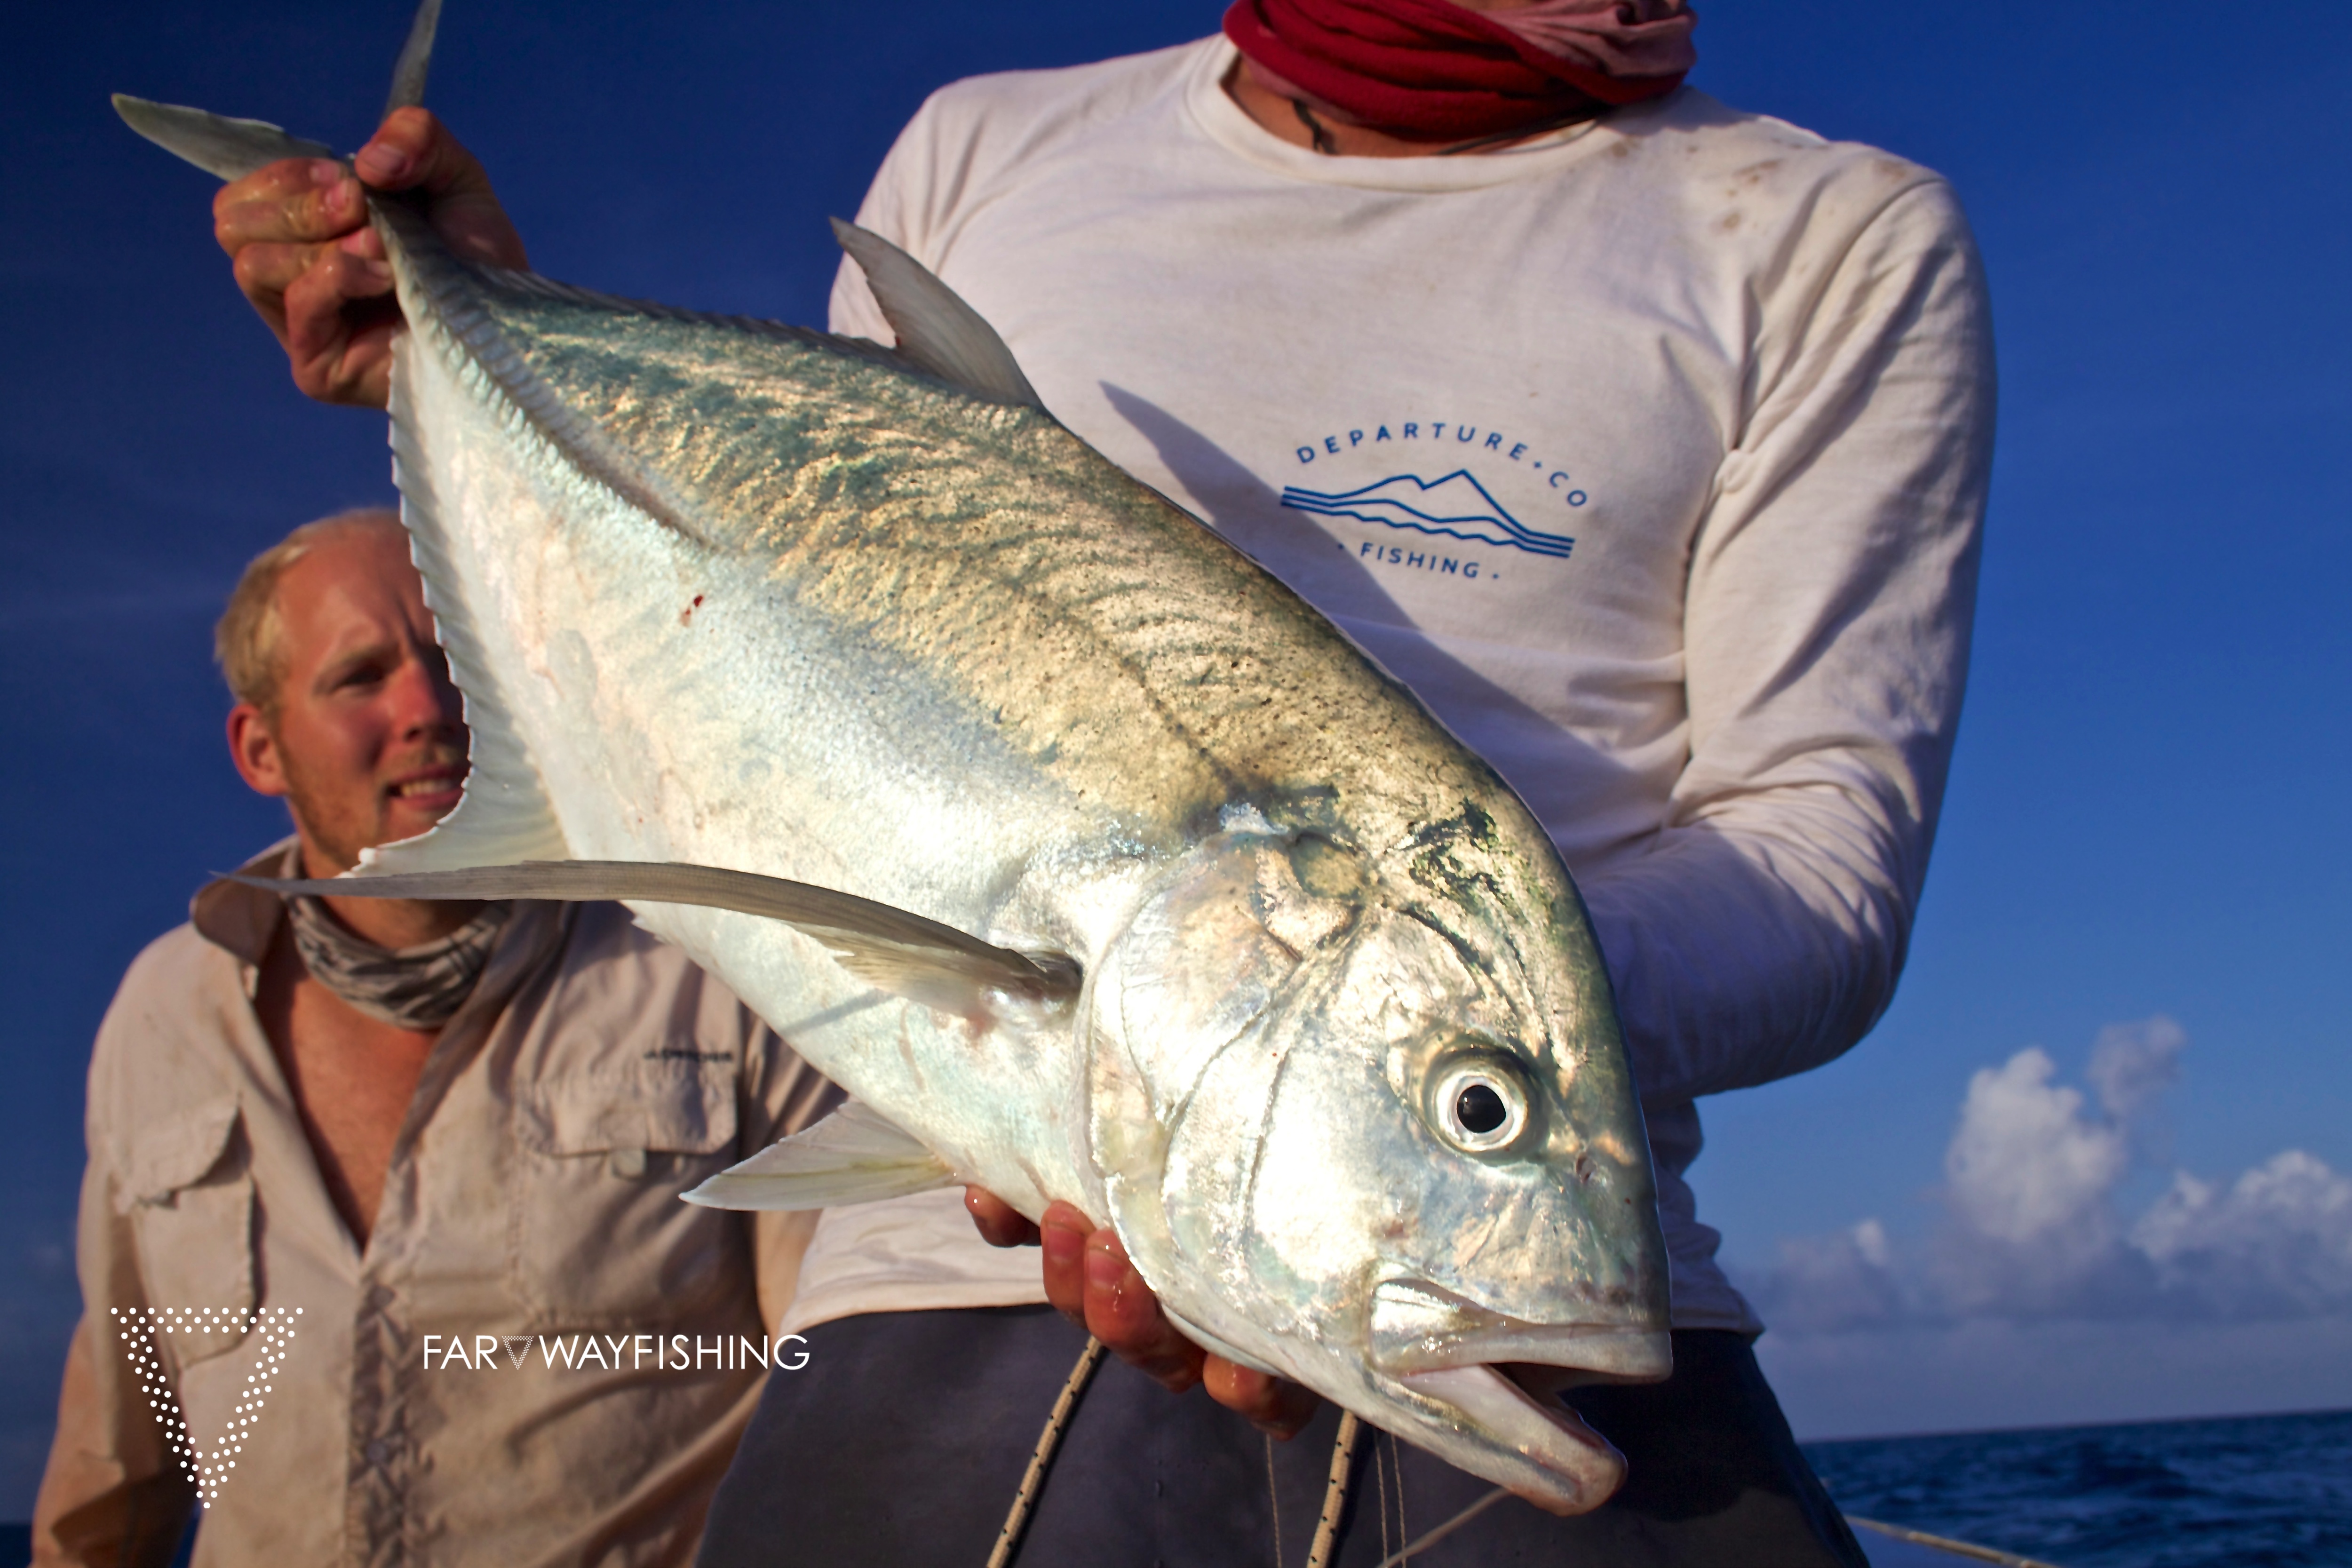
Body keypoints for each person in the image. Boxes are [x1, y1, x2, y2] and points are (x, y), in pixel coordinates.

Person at [203, 0, 1993, 1560]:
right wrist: (469, 330)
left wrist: (1371, 1069)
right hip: (932, 1276)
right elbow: (749, 615)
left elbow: (1820, 852)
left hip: (1538, 1282)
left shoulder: (1831, 236)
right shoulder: (989, 147)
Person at [29, 511, 835, 1567]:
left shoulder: (709, 963)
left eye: (458, 653)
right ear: (259, 748)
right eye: (361, 675)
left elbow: (835, 1393)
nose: (428, 706)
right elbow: (119, 1447)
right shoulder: (163, 1012)